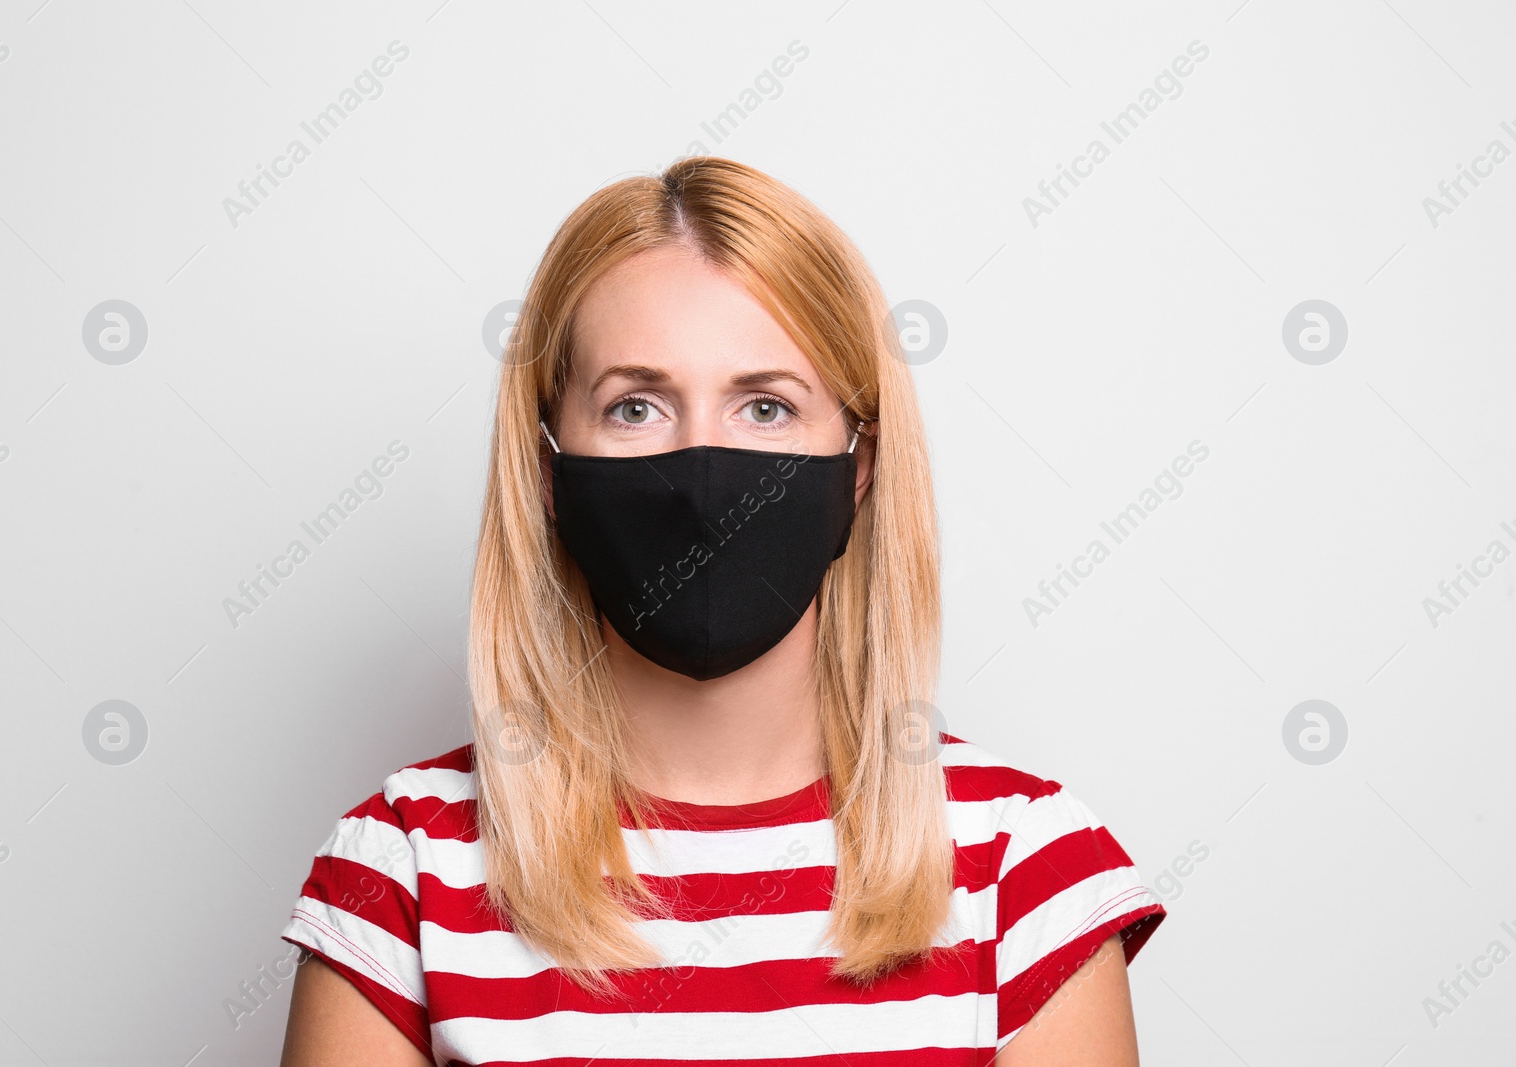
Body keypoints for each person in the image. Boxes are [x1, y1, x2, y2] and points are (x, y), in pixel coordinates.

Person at [277, 156, 1167, 1066]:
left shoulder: (1025, 871)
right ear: (548, 473)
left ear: (858, 467)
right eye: (635, 407)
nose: (704, 471)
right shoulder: (401, 877)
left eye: (767, 407)